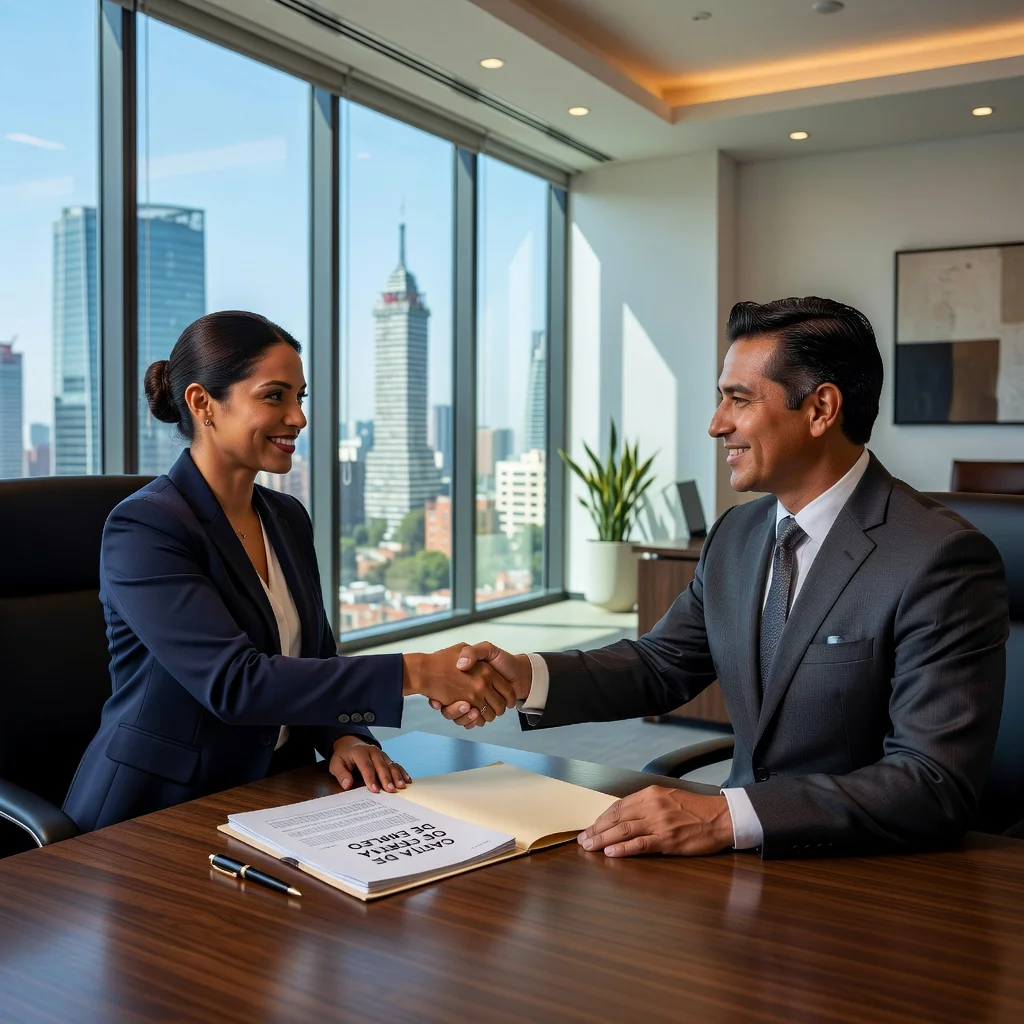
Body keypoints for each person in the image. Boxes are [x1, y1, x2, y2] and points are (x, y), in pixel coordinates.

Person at [440, 296, 1009, 859]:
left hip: (867, 876)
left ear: (820, 410)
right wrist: (525, 678)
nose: (717, 424)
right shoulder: (737, 534)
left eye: (738, 399)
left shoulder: (940, 558)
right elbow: (662, 665)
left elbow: (932, 783)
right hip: (735, 868)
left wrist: (727, 814)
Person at [64, 311, 515, 832]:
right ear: (201, 402)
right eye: (274, 396)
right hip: (156, 813)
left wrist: (343, 736)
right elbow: (236, 683)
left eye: (300, 397)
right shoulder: (145, 527)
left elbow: (314, 653)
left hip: (275, 791)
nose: (298, 417)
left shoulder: (286, 517)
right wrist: (416, 672)